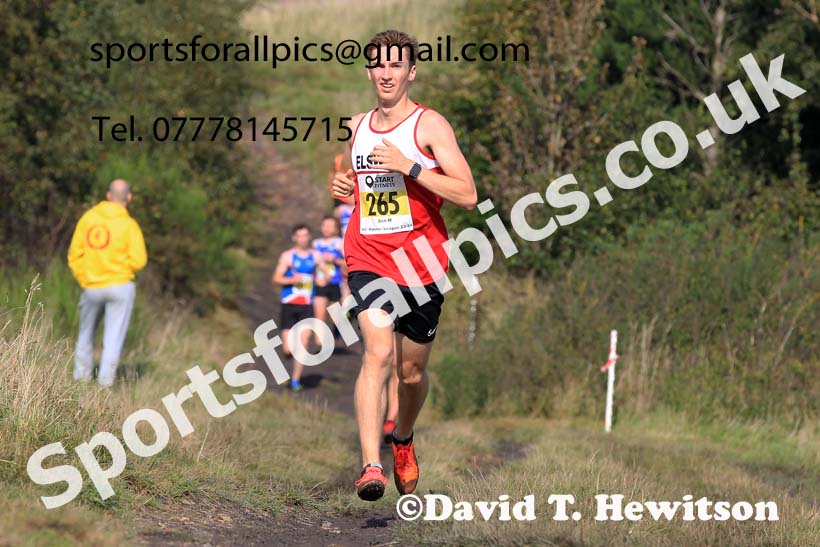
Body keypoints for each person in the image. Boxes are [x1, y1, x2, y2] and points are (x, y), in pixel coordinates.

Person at [331, 29, 477, 501]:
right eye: (378, 64)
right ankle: (371, 466)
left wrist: (409, 166)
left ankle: (404, 438)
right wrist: (340, 188)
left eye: (396, 65)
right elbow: (349, 178)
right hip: (368, 256)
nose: (386, 73)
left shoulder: (430, 126)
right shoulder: (354, 126)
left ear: (411, 72)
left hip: (422, 263)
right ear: (369, 70)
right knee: (377, 354)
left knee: (410, 372)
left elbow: (468, 195)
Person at [67, 179, 147, 387]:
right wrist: (122, 269)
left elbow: (75, 254)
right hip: (120, 285)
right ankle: (104, 384)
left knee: (85, 335)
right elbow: (139, 260)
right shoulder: (129, 225)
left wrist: (84, 278)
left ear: (108, 195)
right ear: (129, 197)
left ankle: (80, 380)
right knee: (113, 338)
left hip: (91, 286)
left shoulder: (89, 218)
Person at [272, 224, 329, 392]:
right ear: (294, 238)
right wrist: (291, 280)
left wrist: (322, 280)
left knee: (303, 344)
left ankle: (295, 380)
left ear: (309, 237)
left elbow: (327, 275)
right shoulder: (288, 257)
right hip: (289, 304)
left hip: (306, 305)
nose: (303, 239)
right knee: (288, 348)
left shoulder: (316, 256)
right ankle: (288, 352)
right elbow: (276, 278)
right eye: (299, 236)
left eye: (305, 235)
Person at [312, 215, 345, 342]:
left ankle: (337, 328)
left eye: (330, 226)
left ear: (336, 229)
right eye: (324, 225)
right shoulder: (316, 244)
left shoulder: (339, 243)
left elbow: (347, 262)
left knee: (334, 316)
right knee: (319, 315)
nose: (326, 228)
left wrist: (335, 260)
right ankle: (319, 343)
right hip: (320, 283)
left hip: (335, 283)